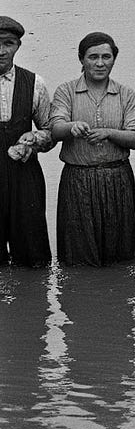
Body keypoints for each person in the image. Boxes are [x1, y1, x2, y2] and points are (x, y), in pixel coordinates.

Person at [50, 31, 135, 266]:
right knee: (78, 253)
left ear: (114, 59)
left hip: (117, 177)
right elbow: (55, 128)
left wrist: (109, 133)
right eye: (93, 57)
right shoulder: (66, 91)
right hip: (77, 178)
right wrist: (72, 127)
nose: (100, 63)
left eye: (106, 57)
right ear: (81, 59)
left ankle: (118, 298)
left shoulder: (125, 93)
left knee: (120, 254)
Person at [0, 15, 54, 268]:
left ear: (18, 46)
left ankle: (33, 304)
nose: (1, 51)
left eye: (8, 43)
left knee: (33, 256)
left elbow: (50, 131)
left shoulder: (35, 84)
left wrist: (35, 139)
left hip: (25, 176)